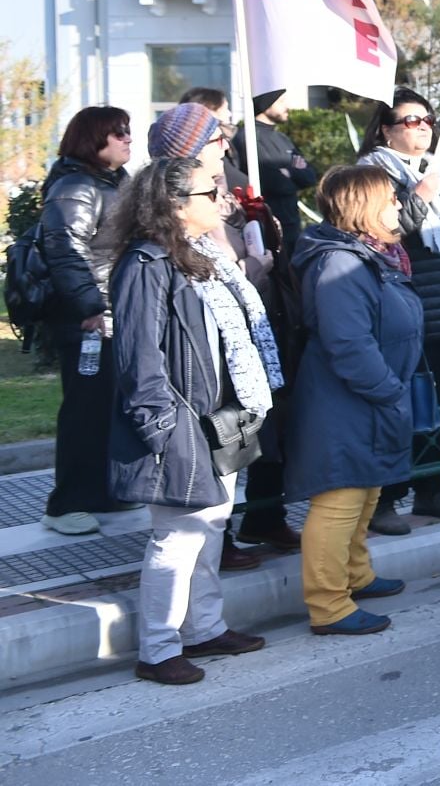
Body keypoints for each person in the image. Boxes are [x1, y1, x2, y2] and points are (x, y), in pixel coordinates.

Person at [102, 158, 276, 684]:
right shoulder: (146, 263)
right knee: (176, 536)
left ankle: (204, 628)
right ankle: (157, 650)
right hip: (178, 422)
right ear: (175, 204)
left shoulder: (203, 255)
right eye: (209, 192)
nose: (221, 199)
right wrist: (161, 428)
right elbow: (138, 357)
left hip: (220, 416)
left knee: (211, 526)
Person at [146, 102, 298, 568]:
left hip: (253, 334)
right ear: (189, 148)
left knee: (261, 434)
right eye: (215, 138)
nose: (226, 144)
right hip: (206, 362)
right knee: (218, 453)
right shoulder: (172, 216)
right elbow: (208, 277)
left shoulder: (226, 186)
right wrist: (252, 265)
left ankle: (260, 518)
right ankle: (219, 542)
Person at [287, 166, 424, 638]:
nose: (399, 206)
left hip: (368, 395)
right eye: (390, 198)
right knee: (339, 499)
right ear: (364, 208)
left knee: (366, 489)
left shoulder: (369, 254)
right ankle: (329, 605)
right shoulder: (340, 264)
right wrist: (388, 389)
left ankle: (356, 574)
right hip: (347, 397)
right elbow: (348, 343)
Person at [357, 90, 440, 534]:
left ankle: (432, 488)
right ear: (385, 130)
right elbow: (378, 234)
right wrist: (419, 197)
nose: (424, 126)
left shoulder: (433, 170)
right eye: (411, 120)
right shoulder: (373, 174)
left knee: (438, 407)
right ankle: (385, 499)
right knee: (401, 410)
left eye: (427, 118)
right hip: (406, 315)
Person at [38, 105, 133, 537]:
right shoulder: (75, 186)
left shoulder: (114, 182)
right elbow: (65, 251)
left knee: (111, 405)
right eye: (119, 132)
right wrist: (90, 307)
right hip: (89, 320)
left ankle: (104, 492)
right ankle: (67, 504)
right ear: (94, 140)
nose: (128, 139)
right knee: (85, 409)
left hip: (113, 311)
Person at [236, 91, 318, 240]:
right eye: (281, 101)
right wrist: (294, 172)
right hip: (267, 229)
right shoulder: (248, 138)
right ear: (266, 105)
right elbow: (276, 183)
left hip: (292, 225)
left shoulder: (282, 139)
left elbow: (310, 177)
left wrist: (289, 172)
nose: (287, 106)